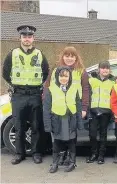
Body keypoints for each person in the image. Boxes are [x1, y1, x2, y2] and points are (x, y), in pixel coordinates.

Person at [2, 25, 49, 165]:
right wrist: (17, 85)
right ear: (20, 38)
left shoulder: (40, 54)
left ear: (33, 38)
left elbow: (45, 72)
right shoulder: (13, 53)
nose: (27, 39)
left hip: (35, 94)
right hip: (18, 95)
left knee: (36, 125)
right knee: (19, 126)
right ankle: (19, 154)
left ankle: (36, 153)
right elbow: (5, 73)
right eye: (24, 36)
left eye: (29, 36)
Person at [44, 46, 90, 166]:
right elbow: (47, 85)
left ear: (76, 58)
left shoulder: (81, 71)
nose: (69, 58)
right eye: (67, 56)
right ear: (62, 57)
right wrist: (46, 101)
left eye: (72, 56)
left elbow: (86, 90)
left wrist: (84, 108)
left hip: (74, 107)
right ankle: (61, 156)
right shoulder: (55, 69)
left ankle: (71, 158)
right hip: (57, 108)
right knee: (58, 133)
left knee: (71, 134)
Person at [43, 66, 83, 173]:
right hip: (57, 120)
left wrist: (80, 123)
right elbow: (46, 109)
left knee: (71, 143)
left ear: (69, 77)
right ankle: (55, 163)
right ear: (57, 76)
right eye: (61, 76)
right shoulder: (51, 89)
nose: (63, 78)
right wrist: (48, 125)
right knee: (56, 142)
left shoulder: (74, 88)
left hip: (71, 120)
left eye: (66, 76)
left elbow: (79, 107)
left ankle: (72, 162)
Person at [86, 61, 116, 164]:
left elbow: (114, 98)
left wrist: (112, 113)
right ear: (99, 69)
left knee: (103, 134)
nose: (105, 70)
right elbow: (88, 96)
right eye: (103, 68)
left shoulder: (113, 82)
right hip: (93, 111)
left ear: (109, 70)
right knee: (92, 133)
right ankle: (94, 153)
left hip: (106, 112)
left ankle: (101, 155)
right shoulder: (92, 80)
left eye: (107, 68)